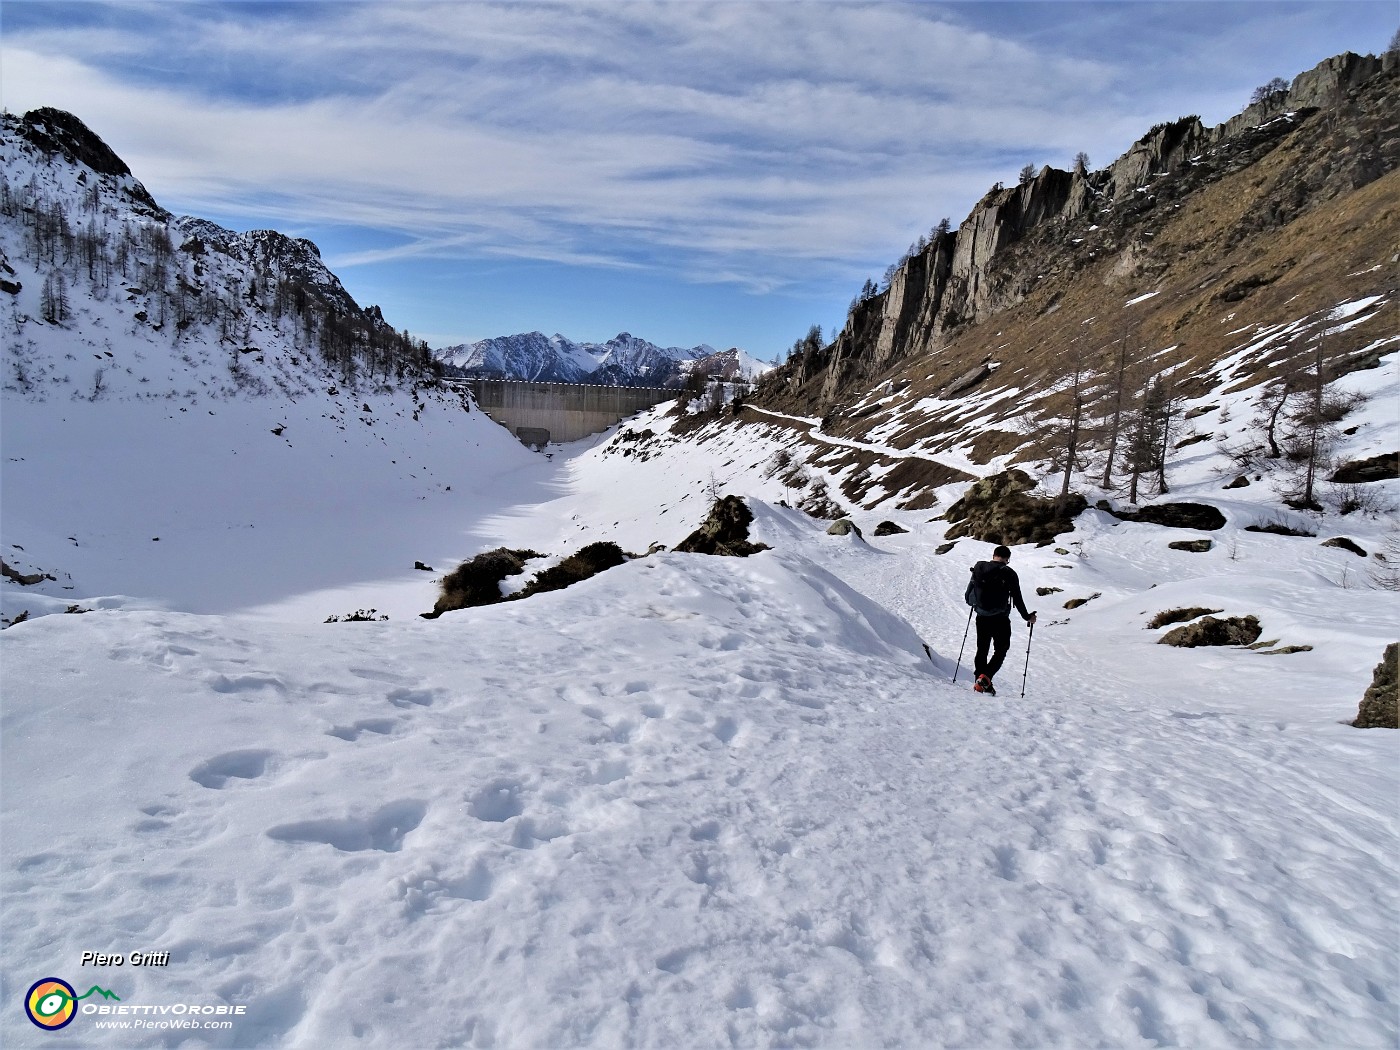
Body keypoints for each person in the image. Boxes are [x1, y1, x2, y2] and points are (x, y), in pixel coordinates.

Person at [966, 544, 1036, 696]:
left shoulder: (979, 568)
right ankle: (985, 678)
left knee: (982, 649)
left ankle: (980, 681)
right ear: (1007, 559)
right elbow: (1017, 598)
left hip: (981, 617)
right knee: (1001, 649)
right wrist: (1027, 617)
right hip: (1000, 619)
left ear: (993, 555)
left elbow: (968, 595)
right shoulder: (1009, 573)